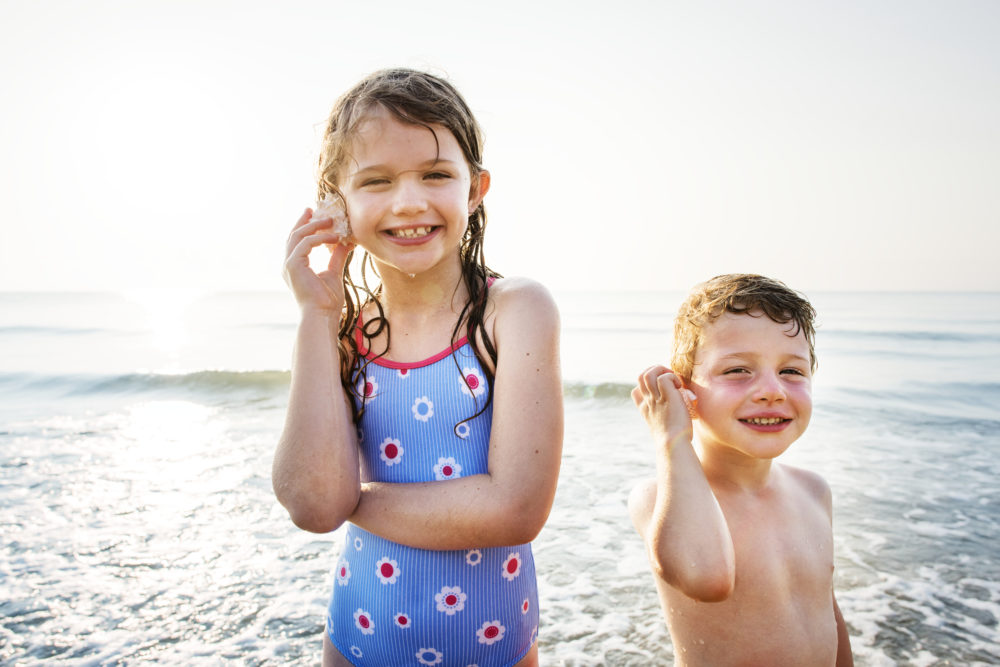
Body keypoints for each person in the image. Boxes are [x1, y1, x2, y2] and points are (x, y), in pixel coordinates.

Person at [272, 68, 563, 667]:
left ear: (475, 189)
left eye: (435, 175)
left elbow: (516, 510)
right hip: (357, 640)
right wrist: (315, 317)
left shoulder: (514, 311)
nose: (409, 201)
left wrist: (354, 501)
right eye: (376, 180)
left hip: (494, 650)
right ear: (336, 202)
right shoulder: (341, 332)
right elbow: (313, 505)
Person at [628, 274, 852, 666]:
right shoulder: (659, 497)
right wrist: (671, 438)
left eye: (792, 371)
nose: (772, 391)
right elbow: (706, 578)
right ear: (683, 390)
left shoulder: (814, 491)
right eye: (737, 370)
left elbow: (826, 610)